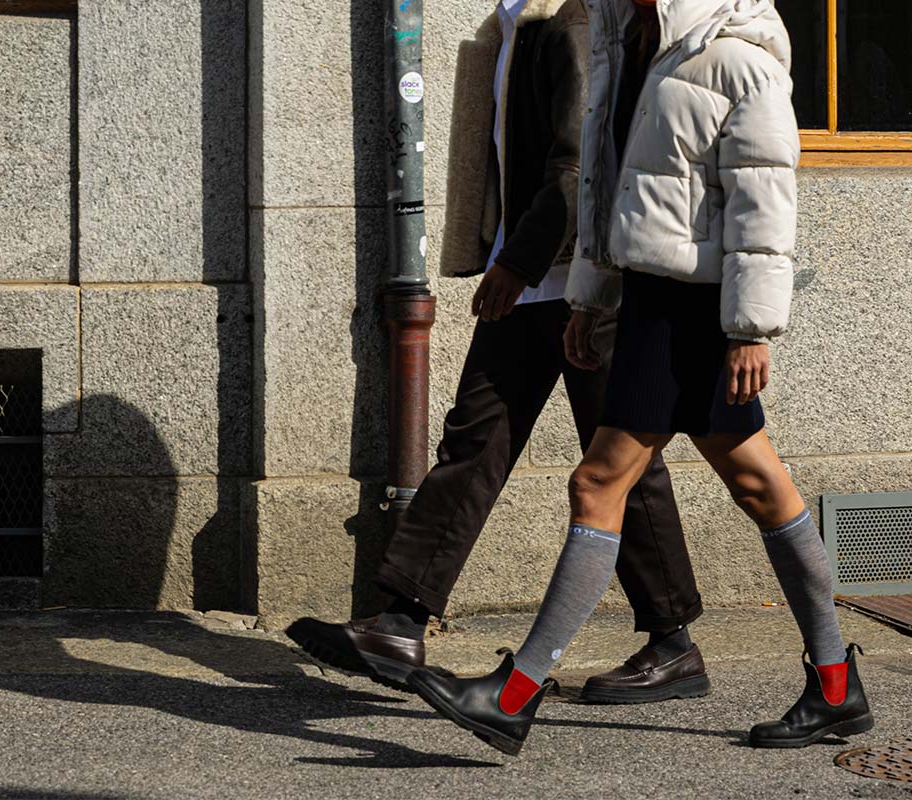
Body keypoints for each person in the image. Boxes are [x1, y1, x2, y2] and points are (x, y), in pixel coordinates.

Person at [405, 0, 875, 755]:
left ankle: (515, 694)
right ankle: (833, 687)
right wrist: (592, 301)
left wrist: (749, 329)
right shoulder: (628, 55)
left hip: (699, 311)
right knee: (760, 486)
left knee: (599, 484)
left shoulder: (739, 58)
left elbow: (765, 200)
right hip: (651, 301)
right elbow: (603, 191)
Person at [286, 0, 715, 709]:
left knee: (622, 459)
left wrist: (516, 262)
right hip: (533, 274)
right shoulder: (516, 20)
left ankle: (672, 641)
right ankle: (398, 621)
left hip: (584, 274)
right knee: (475, 440)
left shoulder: (572, 18)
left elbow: (577, 160)